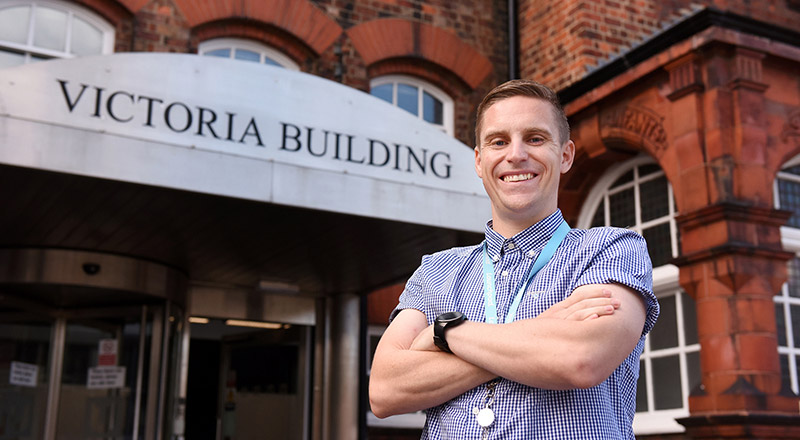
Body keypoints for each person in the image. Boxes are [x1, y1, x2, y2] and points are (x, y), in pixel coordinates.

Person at [368, 79, 659, 439]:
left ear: (565, 155)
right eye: (498, 141)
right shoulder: (436, 270)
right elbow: (384, 390)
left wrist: (443, 332)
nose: (516, 154)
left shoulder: (612, 248)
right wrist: (541, 334)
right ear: (479, 160)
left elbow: (581, 360)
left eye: (535, 138)